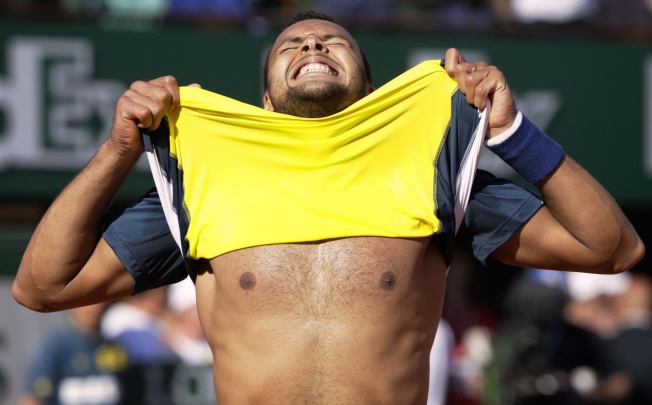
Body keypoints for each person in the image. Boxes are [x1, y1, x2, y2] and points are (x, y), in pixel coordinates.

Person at [12, 9, 644, 405]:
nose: (312, 45)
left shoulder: (429, 168)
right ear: (262, 101)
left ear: (371, 90)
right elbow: (43, 287)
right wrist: (117, 151)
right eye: (292, 45)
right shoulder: (206, 180)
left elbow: (613, 248)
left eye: (330, 41)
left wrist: (513, 135)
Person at [18, 303, 129, 405]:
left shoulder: (114, 346)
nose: (93, 307)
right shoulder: (54, 347)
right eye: (86, 301)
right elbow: (32, 399)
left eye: (98, 300)